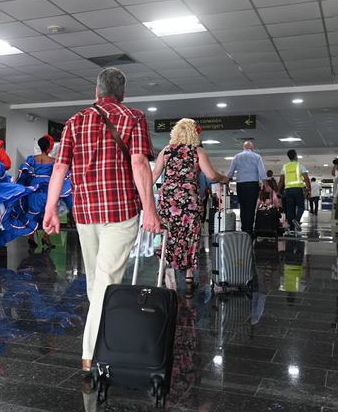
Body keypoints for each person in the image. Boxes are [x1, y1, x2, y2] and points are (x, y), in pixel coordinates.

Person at [43, 67, 161, 372]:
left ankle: (95, 342)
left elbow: (59, 168)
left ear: (96, 92)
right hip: (120, 212)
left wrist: (50, 209)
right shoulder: (132, 117)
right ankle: (89, 355)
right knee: (104, 283)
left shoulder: (74, 121)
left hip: (85, 212)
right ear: (123, 93)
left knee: (97, 281)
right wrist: (150, 208)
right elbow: (138, 162)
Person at [152, 119, 229, 292]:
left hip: (168, 200)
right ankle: (188, 276)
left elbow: (154, 175)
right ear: (194, 134)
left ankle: (169, 270)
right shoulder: (197, 151)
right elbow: (210, 175)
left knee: (169, 234)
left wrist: (142, 192)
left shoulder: (166, 151)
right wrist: (223, 178)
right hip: (189, 201)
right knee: (189, 236)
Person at [16, 135, 72, 250]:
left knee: (32, 214)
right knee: (51, 213)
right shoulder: (53, 161)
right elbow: (60, 174)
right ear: (49, 148)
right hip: (48, 189)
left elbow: (24, 173)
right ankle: (46, 237)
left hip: (33, 189)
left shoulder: (31, 159)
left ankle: (31, 237)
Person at [226, 141, 270, 234]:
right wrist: (266, 185)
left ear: (243, 147)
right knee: (251, 207)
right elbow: (262, 172)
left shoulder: (237, 157)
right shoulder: (257, 157)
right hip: (252, 185)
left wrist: (226, 182)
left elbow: (230, 172)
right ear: (252, 148)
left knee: (243, 207)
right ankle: (249, 229)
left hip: (241, 185)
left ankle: (243, 228)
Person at [278, 149, 310, 233]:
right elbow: (306, 178)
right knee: (301, 207)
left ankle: (291, 228)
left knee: (290, 209)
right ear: (296, 156)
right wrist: (308, 189)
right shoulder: (300, 165)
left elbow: (281, 181)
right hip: (298, 189)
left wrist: (278, 191)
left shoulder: (285, 166)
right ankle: (297, 220)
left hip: (288, 190)